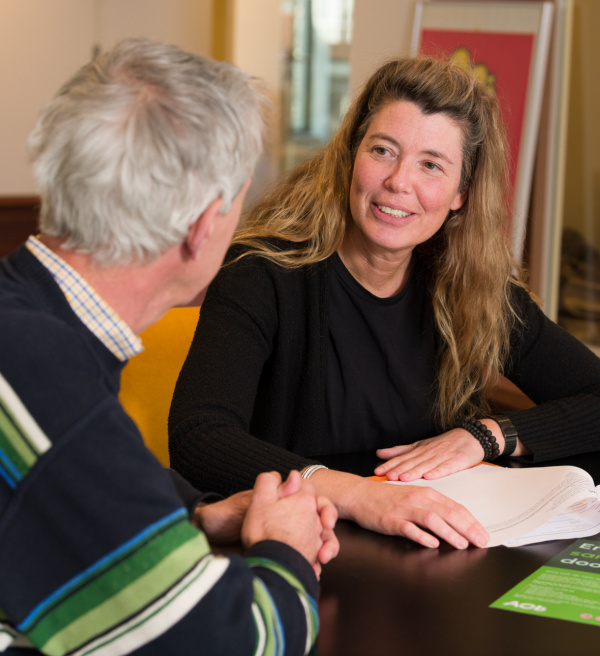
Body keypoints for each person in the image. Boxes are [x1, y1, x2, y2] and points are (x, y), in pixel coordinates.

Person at [168, 54, 600, 550]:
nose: (398, 182)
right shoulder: (262, 273)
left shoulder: (473, 286)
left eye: (431, 165)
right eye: (383, 150)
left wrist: (485, 435)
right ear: (353, 154)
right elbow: (198, 437)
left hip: (430, 555)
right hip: (306, 550)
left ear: (461, 192)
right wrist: (358, 495)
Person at [0, 38, 339, 656]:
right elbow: (231, 641)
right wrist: (286, 546)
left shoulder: (24, 325)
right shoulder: (47, 381)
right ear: (204, 225)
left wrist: (189, 514)